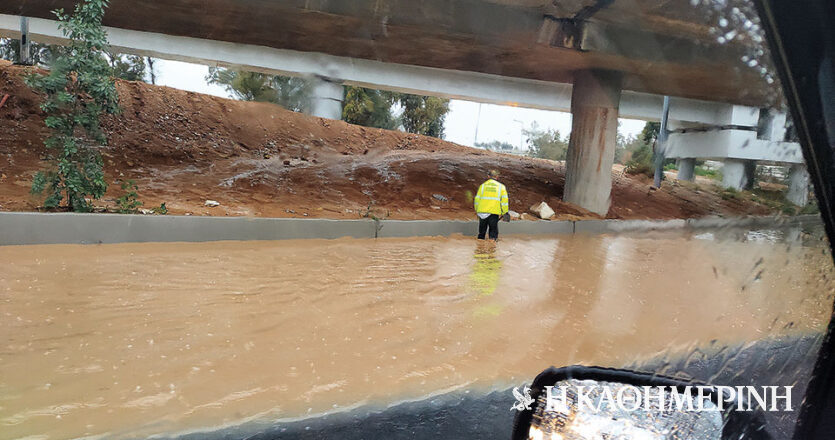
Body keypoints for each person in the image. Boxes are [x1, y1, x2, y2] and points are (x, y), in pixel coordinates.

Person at [473, 169, 509, 240]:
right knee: (493, 235)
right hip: (493, 213)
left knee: (481, 233)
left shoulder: (482, 186)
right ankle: (492, 250)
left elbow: (477, 200)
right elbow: (504, 201)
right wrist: (505, 212)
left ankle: (479, 249)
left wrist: (477, 210)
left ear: (488, 176)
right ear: (497, 177)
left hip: (482, 212)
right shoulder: (501, 187)